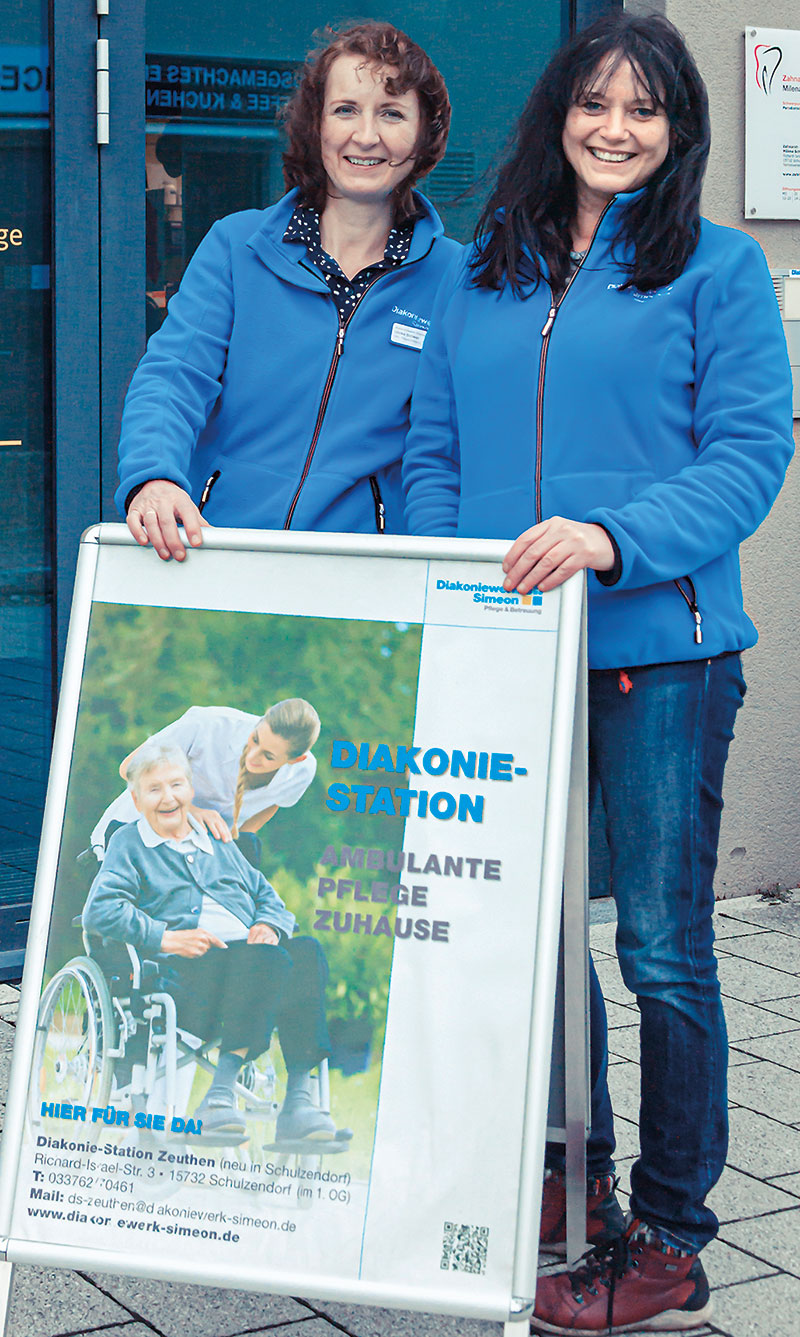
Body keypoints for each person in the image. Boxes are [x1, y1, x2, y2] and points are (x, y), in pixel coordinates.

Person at [402, 13, 794, 1333]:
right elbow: (436, 446)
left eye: (647, 108)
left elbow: (748, 459)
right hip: (513, 650)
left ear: (678, 128)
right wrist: (470, 576)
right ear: (557, 113)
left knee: (665, 952)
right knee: (527, 941)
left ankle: (674, 1231)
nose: (616, 128)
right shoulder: (484, 267)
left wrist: (613, 539)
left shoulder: (718, 270)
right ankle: (574, 1191)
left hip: (658, 657)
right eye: (595, 103)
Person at [117, 21, 461, 560]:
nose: (366, 135)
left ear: (423, 137)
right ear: (316, 125)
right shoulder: (238, 245)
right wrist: (153, 477)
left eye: (391, 113)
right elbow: (175, 376)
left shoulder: (454, 278)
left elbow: (443, 449)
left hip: (363, 574)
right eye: (345, 109)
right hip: (218, 550)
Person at [84, 742, 335, 1140]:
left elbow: (269, 897)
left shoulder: (216, 840)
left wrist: (269, 924)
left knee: (305, 952)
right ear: (136, 799)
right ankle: (219, 1095)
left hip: (252, 960)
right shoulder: (131, 844)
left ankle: (298, 1103)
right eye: (154, 789)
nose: (168, 798)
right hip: (190, 967)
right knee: (269, 961)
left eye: (176, 785)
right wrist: (166, 938)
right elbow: (101, 910)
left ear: (190, 789)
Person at [90, 697, 320, 856]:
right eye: (256, 739)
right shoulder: (207, 724)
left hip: (199, 864)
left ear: (294, 759)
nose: (253, 755)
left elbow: (272, 804)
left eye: (268, 756)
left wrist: (237, 847)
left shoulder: (303, 771)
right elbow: (130, 767)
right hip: (129, 841)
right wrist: (191, 812)